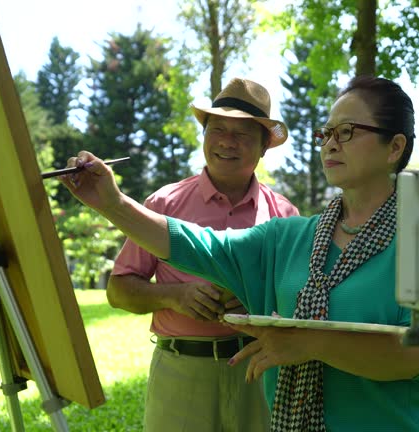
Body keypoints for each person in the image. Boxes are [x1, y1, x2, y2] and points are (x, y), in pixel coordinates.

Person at [60, 76, 419, 432]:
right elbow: (198, 243)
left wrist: (308, 343)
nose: (331, 144)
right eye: (327, 133)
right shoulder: (290, 237)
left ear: (394, 146)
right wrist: (111, 203)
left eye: (348, 131)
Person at [106, 77, 299, 431]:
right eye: (218, 129)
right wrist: (174, 296)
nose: (227, 141)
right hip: (180, 371)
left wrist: (257, 299)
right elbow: (118, 290)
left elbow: (301, 304)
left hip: (259, 372)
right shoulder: (163, 205)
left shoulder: (285, 216)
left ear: (263, 147)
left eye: (242, 134)